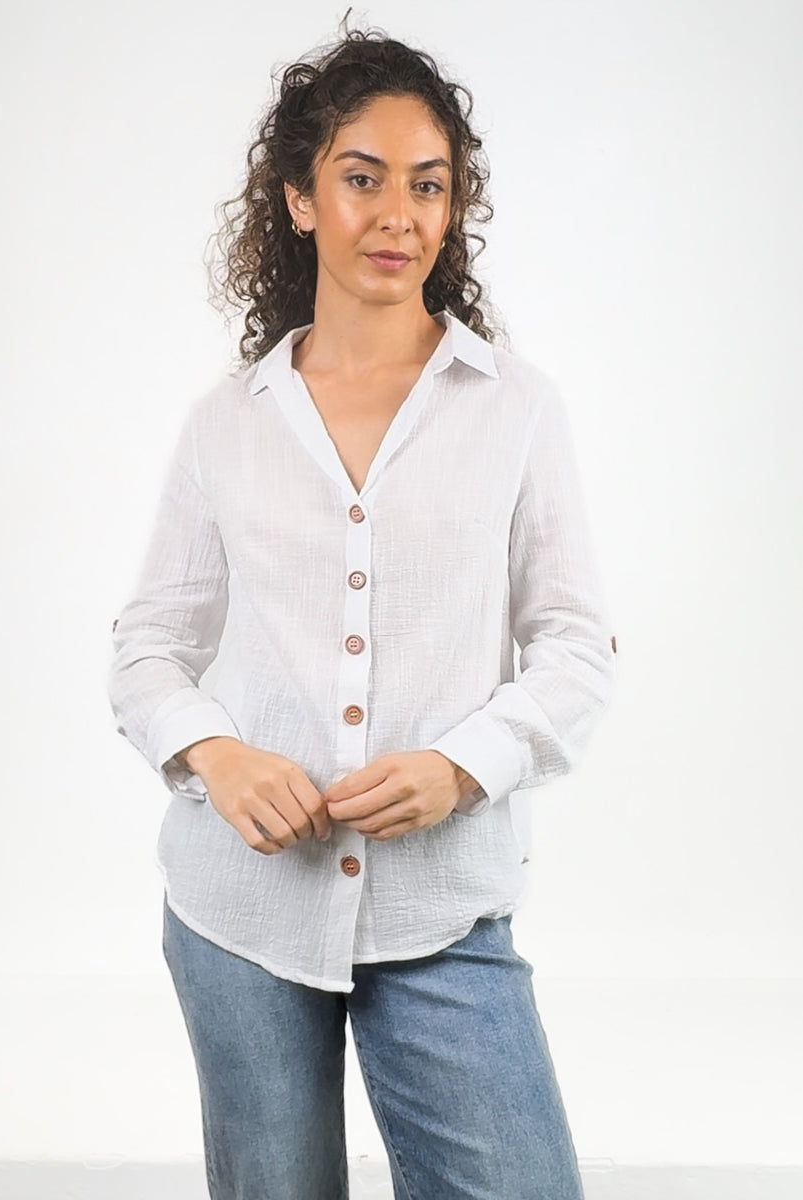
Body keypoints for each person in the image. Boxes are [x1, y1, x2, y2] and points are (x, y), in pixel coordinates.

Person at [107, 20, 616, 1200]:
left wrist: (463, 767)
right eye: (362, 178)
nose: (398, 215)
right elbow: (146, 648)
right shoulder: (226, 424)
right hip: (241, 914)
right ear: (297, 200)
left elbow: (575, 651)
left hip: (440, 906)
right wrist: (217, 754)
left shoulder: (516, 409)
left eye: (427, 185)